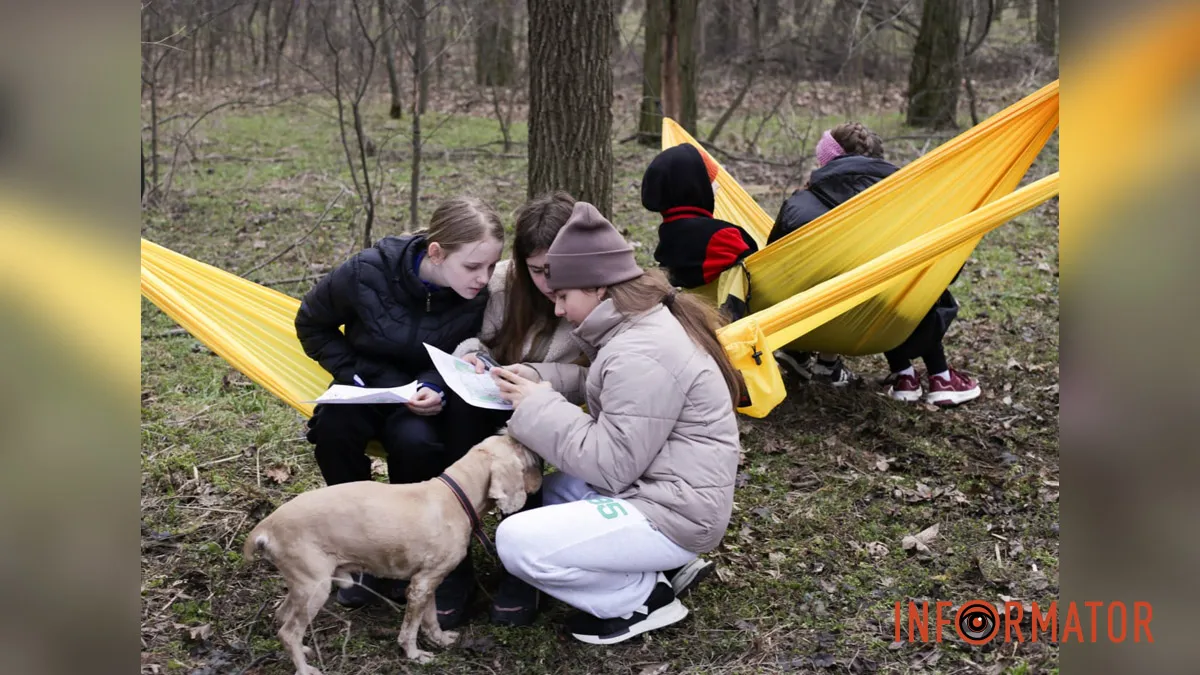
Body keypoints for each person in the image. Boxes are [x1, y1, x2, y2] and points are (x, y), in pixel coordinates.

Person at [489, 201, 741, 645]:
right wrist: (537, 376)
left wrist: (537, 406)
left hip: (673, 513)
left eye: (564, 296)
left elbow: (611, 465)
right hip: (661, 488)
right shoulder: (639, 326)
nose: (560, 310)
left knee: (516, 540)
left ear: (599, 289)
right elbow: (613, 390)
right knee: (549, 495)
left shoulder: (639, 351)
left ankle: (640, 598)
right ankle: (651, 568)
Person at [293, 196, 505, 627]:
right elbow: (311, 323)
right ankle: (356, 548)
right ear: (436, 253)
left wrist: (432, 385)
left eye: (490, 267)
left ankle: (408, 548)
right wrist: (359, 373)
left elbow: (467, 353)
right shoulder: (366, 271)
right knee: (333, 428)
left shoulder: (478, 297)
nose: (484, 279)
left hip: (427, 400)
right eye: (473, 267)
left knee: (417, 442)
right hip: (366, 385)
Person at [447, 191, 585, 627]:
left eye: (555, 270)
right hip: (493, 398)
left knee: (526, 433)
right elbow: (479, 339)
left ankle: (520, 571)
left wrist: (537, 378)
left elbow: (602, 373)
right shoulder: (504, 282)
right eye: (537, 270)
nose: (547, 282)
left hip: (561, 412)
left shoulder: (596, 290)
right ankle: (453, 560)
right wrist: (474, 357)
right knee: (447, 427)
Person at [769, 123, 980, 405]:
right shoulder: (910, 206)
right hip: (889, 315)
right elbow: (946, 271)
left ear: (826, 162)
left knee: (868, 280)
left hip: (814, 317)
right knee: (913, 287)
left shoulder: (799, 205)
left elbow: (773, 268)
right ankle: (936, 376)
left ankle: (901, 371)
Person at [641, 144, 757, 302]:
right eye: (710, 181)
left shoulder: (669, 235)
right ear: (695, 188)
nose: (717, 186)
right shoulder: (722, 237)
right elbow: (758, 278)